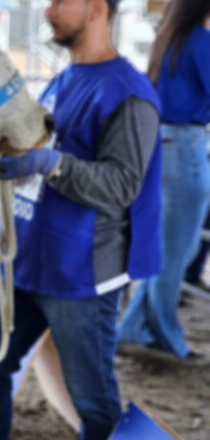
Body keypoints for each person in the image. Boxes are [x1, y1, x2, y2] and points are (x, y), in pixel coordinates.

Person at [0, 0, 162, 438]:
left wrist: (51, 164)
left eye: (59, 2)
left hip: (81, 278)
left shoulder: (129, 93)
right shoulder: (61, 80)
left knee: (93, 403)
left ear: (95, 8)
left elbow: (122, 185)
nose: (48, 11)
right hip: (26, 265)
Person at [118, 0, 210, 359]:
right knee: (177, 252)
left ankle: (131, 328)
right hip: (187, 146)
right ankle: (168, 339)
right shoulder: (200, 41)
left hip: (164, 145)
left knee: (171, 249)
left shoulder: (169, 38)